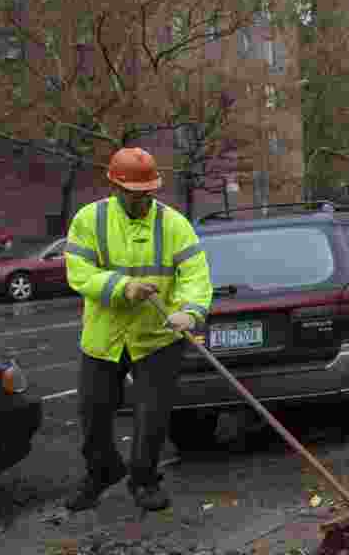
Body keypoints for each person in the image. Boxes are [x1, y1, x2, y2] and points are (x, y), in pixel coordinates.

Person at [63, 147, 212, 511]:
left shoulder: (174, 224)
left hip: (158, 338)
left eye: (149, 191)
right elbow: (78, 272)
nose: (144, 198)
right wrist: (122, 287)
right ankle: (102, 470)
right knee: (93, 411)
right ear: (115, 186)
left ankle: (144, 480)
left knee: (152, 415)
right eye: (136, 193)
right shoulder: (90, 220)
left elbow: (196, 275)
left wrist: (189, 313)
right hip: (103, 337)